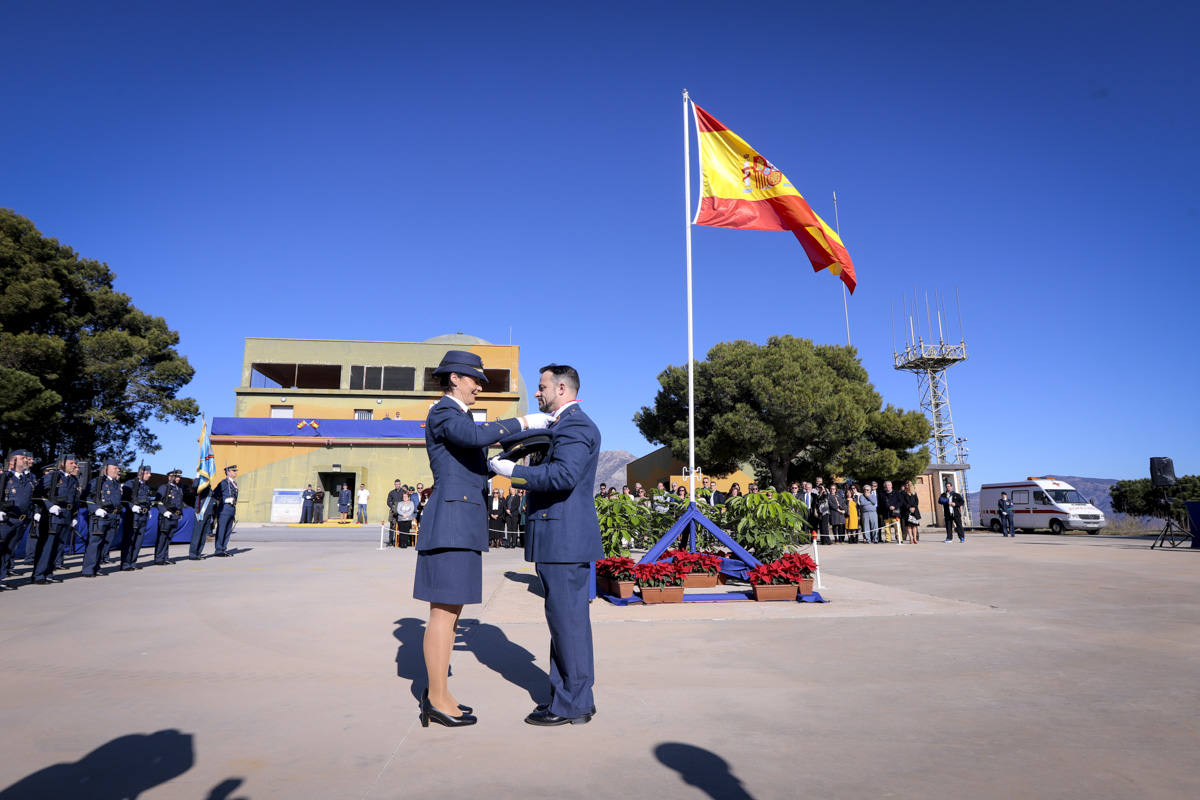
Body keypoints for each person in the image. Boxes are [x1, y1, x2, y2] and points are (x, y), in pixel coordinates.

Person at [414, 349, 548, 728]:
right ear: (454, 378)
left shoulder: (457, 416)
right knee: (443, 613)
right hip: (451, 524)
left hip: (461, 523)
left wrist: (500, 463)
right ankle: (436, 698)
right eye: (474, 379)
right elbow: (474, 436)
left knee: (451, 613)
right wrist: (522, 421)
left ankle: (440, 693)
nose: (478, 387)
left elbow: (470, 460)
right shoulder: (445, 412)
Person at [490, 363, 603, 726]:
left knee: (567, 623)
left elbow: (563, 475)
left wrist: (512, 472)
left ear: (563, 390)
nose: (537, 393)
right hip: (559, 539)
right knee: (563, 622)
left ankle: (574, 704)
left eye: (542, 388)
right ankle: (568, 696)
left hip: (564, 540)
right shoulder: (563, 426)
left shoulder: (576, 426)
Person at [34, 454, 79, 584]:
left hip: (66, 516)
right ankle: (39, 575)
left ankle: (49, 572)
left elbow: (75, 500)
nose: (75, 465)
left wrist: (74, 516)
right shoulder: (52, 476)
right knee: (47, 546)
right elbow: (37, 494)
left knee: (58, 547)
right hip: (52, 516)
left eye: (75, 463)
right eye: (71, 463)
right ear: (62, 464)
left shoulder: (73, 480)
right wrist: (49, 506)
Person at [0, 449, 38, 589]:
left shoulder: (28, 480)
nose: (26, 460)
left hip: (21, 520)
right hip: (6, 519)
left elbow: (32, 498)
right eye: (22, 459)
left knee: (8, 550)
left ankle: (1, 577)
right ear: (12, 462)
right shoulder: (5, 477)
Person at [82, 459, 123, 577]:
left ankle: (96, 567)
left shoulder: (116, 484)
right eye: (114, 468)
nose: (117, 470)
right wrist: (95, 509)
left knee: (105, 543)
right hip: (100, 516)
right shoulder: (98, 482)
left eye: (117, 468)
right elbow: (86, 497)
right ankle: (88, 569)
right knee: (95, 542)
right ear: (106, 469)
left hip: (113, 516)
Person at [121, 465, 155, 571]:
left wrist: (148, 509)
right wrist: (132, 507)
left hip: (143, 516)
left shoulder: (146, 486)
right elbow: (124, 500)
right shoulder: (130, 484)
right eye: (147, 473)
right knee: (129, 540)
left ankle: (133, 562)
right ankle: (126, 563)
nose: (150, 475)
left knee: (138, 541)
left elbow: (147, 501)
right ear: (141, 473)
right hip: (132, 516)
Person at [153, 469, 184, 564]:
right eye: (176, 476)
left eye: (179, 476)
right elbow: (158, 501)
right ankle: (159, 558)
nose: (178, 478)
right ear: (170, 477)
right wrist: (164, 511)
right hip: (166, 517)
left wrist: (180, 513)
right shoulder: (164, 488)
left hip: (175, 516)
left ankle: (165, 557)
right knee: (162, 537)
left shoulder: (179, 489)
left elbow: (179, 503)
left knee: (168, 538)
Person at [211, 465, 239, 557]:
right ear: (228, 472)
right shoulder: (224, 482)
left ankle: (223, 548)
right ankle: (218, 550)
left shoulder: (234, 483)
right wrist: (225, 500)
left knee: (227, 531)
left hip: (231, 509)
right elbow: (214, 494)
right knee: (222, 530)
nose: (235, 472)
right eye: (233, 471)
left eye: (235, 471)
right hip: (224, 509)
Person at [901, 480, 921, 544]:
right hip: (907, 511)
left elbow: (916, 501)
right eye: (906, 485)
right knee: (908, 526)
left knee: (914, 526)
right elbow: (903, 502)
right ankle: (911, 538)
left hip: (915, 511)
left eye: (908, 485)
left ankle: (915, 538)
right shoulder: (903, 493)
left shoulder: (914, 493)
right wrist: (909, 507)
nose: (907, 486)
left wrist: (914, 507)